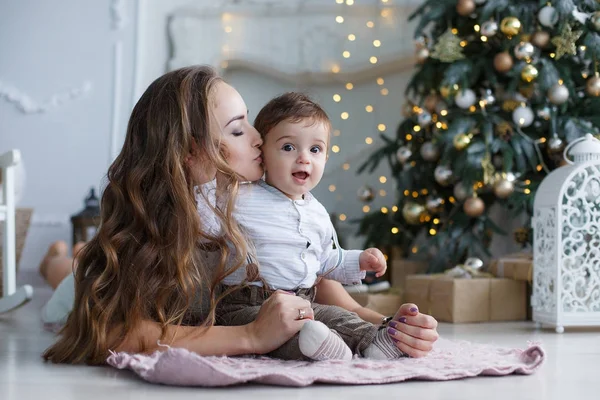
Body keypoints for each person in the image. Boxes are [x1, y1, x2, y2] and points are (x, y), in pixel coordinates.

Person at [41, 66, 438, 365]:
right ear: (190, 152)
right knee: (70, 274)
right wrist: (249, 337)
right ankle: (54, 259)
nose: (257, 137)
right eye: (236, 129)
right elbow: (113, 332)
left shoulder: (254, 204)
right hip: (86, 287)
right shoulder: (166, 227)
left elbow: (315, 280)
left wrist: (386, 325)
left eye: (248, 120)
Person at [213, 93, 410, 361]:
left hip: (304, 300)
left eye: (315, 150)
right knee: (288, 333)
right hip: (246, 303)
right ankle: (318, 346)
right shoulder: (240, 196)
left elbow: (323, 260)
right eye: (288, 148)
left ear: (325, 158)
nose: (304, 158)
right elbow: (202, 213)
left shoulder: (316, 212)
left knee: (339, 317)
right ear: (263, 155)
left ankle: (373, 342)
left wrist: (360, 260)